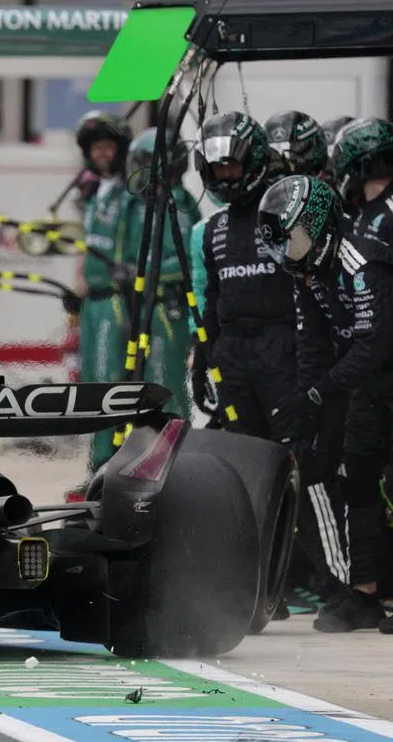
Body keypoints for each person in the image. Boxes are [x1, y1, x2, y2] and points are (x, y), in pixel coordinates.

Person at [258, 165, 393, 633]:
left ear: (321, 226)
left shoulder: (364, 264)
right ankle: (362, 593)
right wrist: (307, 405)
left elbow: (375, 344)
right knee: (347, 475)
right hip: (362, 384)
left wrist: (321, 392)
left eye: (292, 239)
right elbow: (314, 345)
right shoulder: (309, 273)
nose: (287, 253)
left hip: (380, 374)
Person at [194, 111, 298, 440]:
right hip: (231, 355)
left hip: (283, 350)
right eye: (217, 169)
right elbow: (212, 301)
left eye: (231, 167)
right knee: (243, 449)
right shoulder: (214, 228)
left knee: (294, 447)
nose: (224, 177)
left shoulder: (287, 214)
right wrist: (201, 360)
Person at [120, 127, 201, 421]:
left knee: (168, 382)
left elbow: (184, 259)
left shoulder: (176, 202)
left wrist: (140, 271)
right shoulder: (151, 203)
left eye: (143, 162)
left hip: (170, 308)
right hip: (151, 308)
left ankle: (177, 447)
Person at [71, 110, 134, 472]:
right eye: (97, 148)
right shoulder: (93, 195)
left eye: (109, 147)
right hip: (92, 301)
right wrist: (75, 287)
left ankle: (112, 461)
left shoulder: (129, 194)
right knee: (92, 381)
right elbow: (85, 245)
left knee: (111, 380)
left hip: (114, 299)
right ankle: (96, 464)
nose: (102, 154)